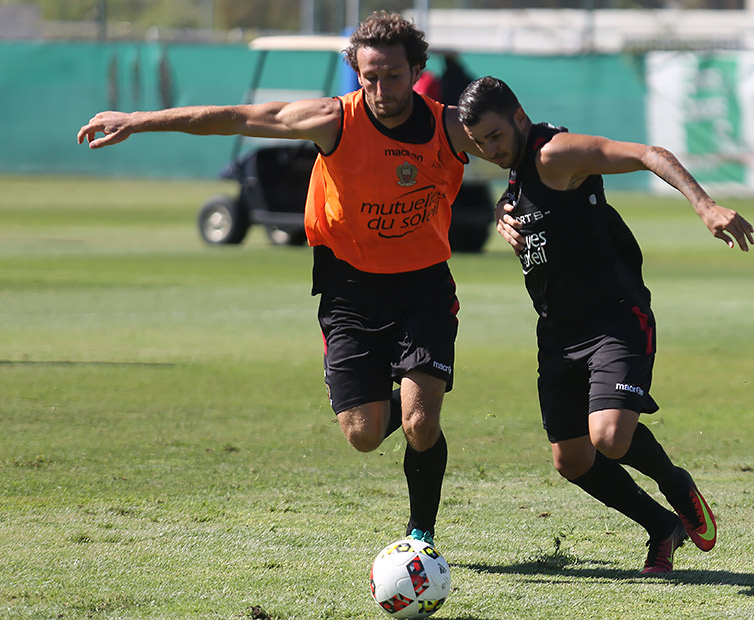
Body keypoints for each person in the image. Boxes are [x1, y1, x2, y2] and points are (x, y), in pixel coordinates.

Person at [77, 11, 486, 549]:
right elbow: (237, 118)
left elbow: (524, 148)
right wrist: (139, 119)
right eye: (369, 76)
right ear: (357, 73)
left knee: (419, 424)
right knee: (364, 435)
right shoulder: (334, 120)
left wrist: (520, 203)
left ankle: (421, 534)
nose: (381, 88)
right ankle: (406, 396)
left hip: (423, 287)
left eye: (393, 75)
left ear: (416, 71)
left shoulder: (451, 125)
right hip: (350, 291)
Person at [457, 76, 754, 574]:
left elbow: (649, 154)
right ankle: (662, 527)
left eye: (495, 136)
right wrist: (503, 212)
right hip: (557, 331)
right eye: (479, 143)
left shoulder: (555, 154)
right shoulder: (516, 169)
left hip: (613, 319)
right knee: (571, 460)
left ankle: (674, 483)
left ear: (519, 118)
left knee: (610, 438)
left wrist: (704, 205)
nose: (489, 150)